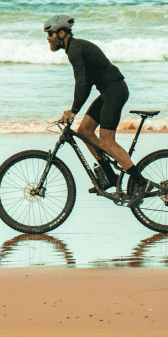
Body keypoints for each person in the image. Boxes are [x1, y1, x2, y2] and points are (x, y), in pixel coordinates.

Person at [44, 14, 147, 202]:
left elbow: (82, 83)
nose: (48, 38)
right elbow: (87, 83)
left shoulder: (75, 49)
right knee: (84, 131)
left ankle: (141, 182)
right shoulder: (74, 48)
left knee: (107, 141)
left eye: (50, 34)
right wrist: (74, 109)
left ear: (61, 32)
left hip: (115, 91)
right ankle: (110, 177)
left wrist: (73, 110)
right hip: (110, 91)